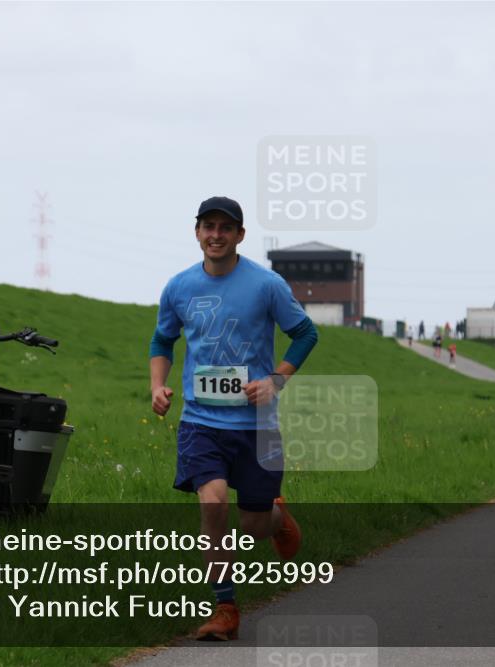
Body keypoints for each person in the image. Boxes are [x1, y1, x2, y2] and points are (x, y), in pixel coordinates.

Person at [149, 196, 318, 641]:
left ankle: (277, 519)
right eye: (209, 226)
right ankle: (225, 608)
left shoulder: (267, 285)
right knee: (214, 502)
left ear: (240, 235)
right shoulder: (178, 287)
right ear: (197, 232)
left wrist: (275, 381)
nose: (216, 235)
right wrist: (157, 386)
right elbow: (162, 341)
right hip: (201, 423)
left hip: (257, 426)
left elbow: (305, 333)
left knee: (254, 525)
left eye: (226, 227)